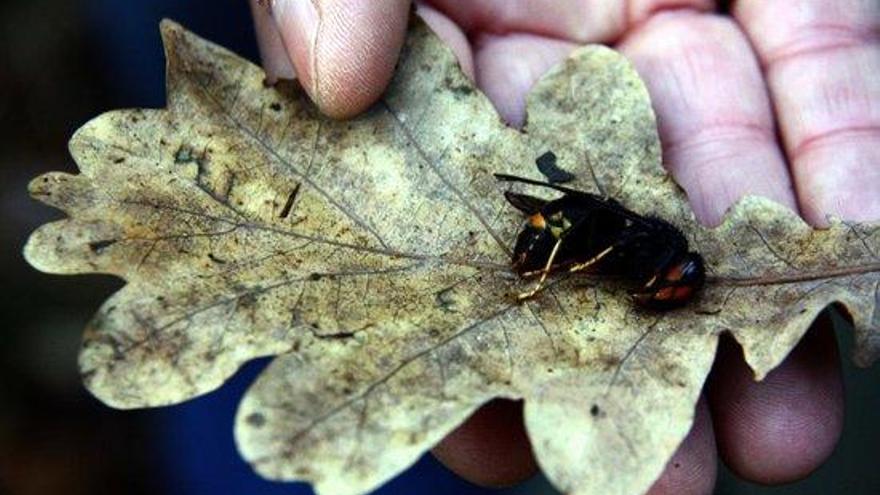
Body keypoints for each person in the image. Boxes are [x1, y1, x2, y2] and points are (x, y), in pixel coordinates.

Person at [249, 1, 880, 493]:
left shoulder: (661, 253)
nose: (674, 288)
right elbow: (599, 247)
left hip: (571, 222)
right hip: (555, 229)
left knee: (478, 439)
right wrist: (557, 267)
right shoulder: (645, 252)